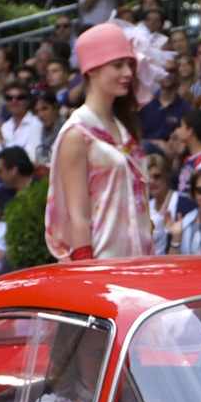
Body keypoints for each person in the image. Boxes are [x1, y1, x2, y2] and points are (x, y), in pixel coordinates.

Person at [47, 22, 152, 261]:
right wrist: (87, 275)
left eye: (129, 64)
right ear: (91, 70)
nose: (127, 72)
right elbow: (78, 216)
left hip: (140, 261)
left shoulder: (123, 127)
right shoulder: (77, 134)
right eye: (118, 65)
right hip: (104, 267)